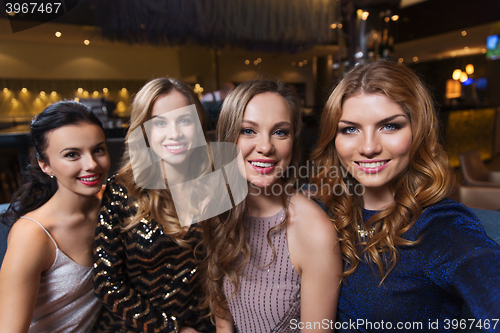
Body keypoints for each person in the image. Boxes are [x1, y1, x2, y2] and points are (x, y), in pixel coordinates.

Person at [310, 60, 500, 332]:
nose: (368, 147)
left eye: (389, 126)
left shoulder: (438, 226)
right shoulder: (326, 209)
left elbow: (485, 273)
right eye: (350, 129)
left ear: (418, 132)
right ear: (333, 139)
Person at [202, 79, 342, 333]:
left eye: (280, 132)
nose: (265, 146)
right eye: (248, 131)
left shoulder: (314, 230)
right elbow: (223, 321)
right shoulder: (220, 210)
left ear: (293, 142)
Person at [93, 77, 215, 333]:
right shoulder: (122, 188)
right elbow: (107, 283)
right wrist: (172, 329)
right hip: (135, 327)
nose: (175, 133)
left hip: (203, 325)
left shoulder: (214, 182)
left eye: (184, 120)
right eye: (159, 122)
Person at [0, 101, 109, 332]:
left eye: (98, 149)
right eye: (72, 155)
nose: (91, 164)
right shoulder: (32, 235)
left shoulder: (113, 206)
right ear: (45, 165)